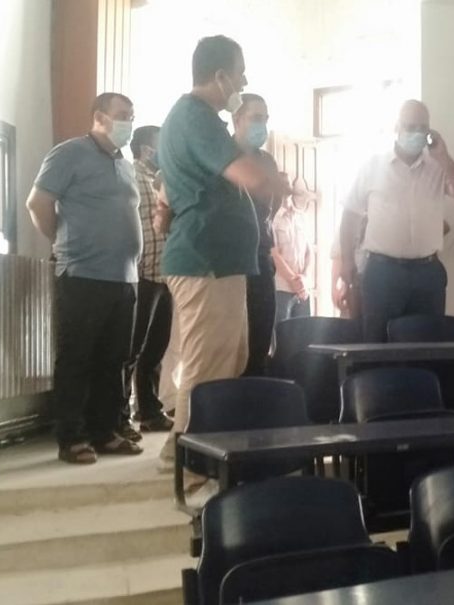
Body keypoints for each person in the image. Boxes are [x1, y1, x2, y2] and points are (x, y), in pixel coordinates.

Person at [156, 35, 288, 466]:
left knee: (227, 360)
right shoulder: (196, 118)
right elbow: (251, 175)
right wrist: (278, 184)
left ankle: (196, 452)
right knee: (206, 366)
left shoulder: (196, 119)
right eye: (240, 73)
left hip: (219, 261)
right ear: (220, 76)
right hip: (205, 260)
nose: (243, 82)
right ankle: (188, 461)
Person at [25, 92, 143, 463]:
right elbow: (38, 203)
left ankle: (105, 431)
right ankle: (72, 437)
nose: (129, 122)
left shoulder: (124, 164)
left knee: (113, 359)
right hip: (82, 274)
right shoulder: (69, 153)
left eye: (132, 115)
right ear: (99, 117)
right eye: (122, 114)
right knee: (77, 357)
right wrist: (62, 241)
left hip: (124, 278)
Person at [338, 99, 454, 342]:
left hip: (427, 273)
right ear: (397, 127)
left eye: (422, 128)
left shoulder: (438, 167)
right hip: (381, 271)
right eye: (410, 126)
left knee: (425, 344)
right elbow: (350, 215)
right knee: (376, 343)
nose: (416, 133)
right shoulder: (373, 166)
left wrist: (444, 157)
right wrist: (347, 260)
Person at [123, 125, 174, 434]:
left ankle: (149, 410)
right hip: (141, 273)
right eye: (160, 146)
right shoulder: (130, 175)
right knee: (131, 347)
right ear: (146, 149)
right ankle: (120, 414)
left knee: (156, 346)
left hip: (165, 274)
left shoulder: (161, 180)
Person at [231, 93, 286, 376]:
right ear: (237, 119)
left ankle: (256, 396)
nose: (261, 125)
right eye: (255, 118)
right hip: (229, 262)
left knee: (260, 339)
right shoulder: (223, 156)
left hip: (261, 257)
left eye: (265, 119)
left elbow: (273, 206)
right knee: (230, 346)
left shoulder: (267, 161)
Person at [272, 176, 315, 321]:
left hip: (303, 289)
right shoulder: (273, 220)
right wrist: (293, 280)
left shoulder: (302, 218)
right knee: (282, 331)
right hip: (282, 288)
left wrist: (304, 278)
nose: (286, 197)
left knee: (304, 331)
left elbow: (309, 252)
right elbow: (274, 254)